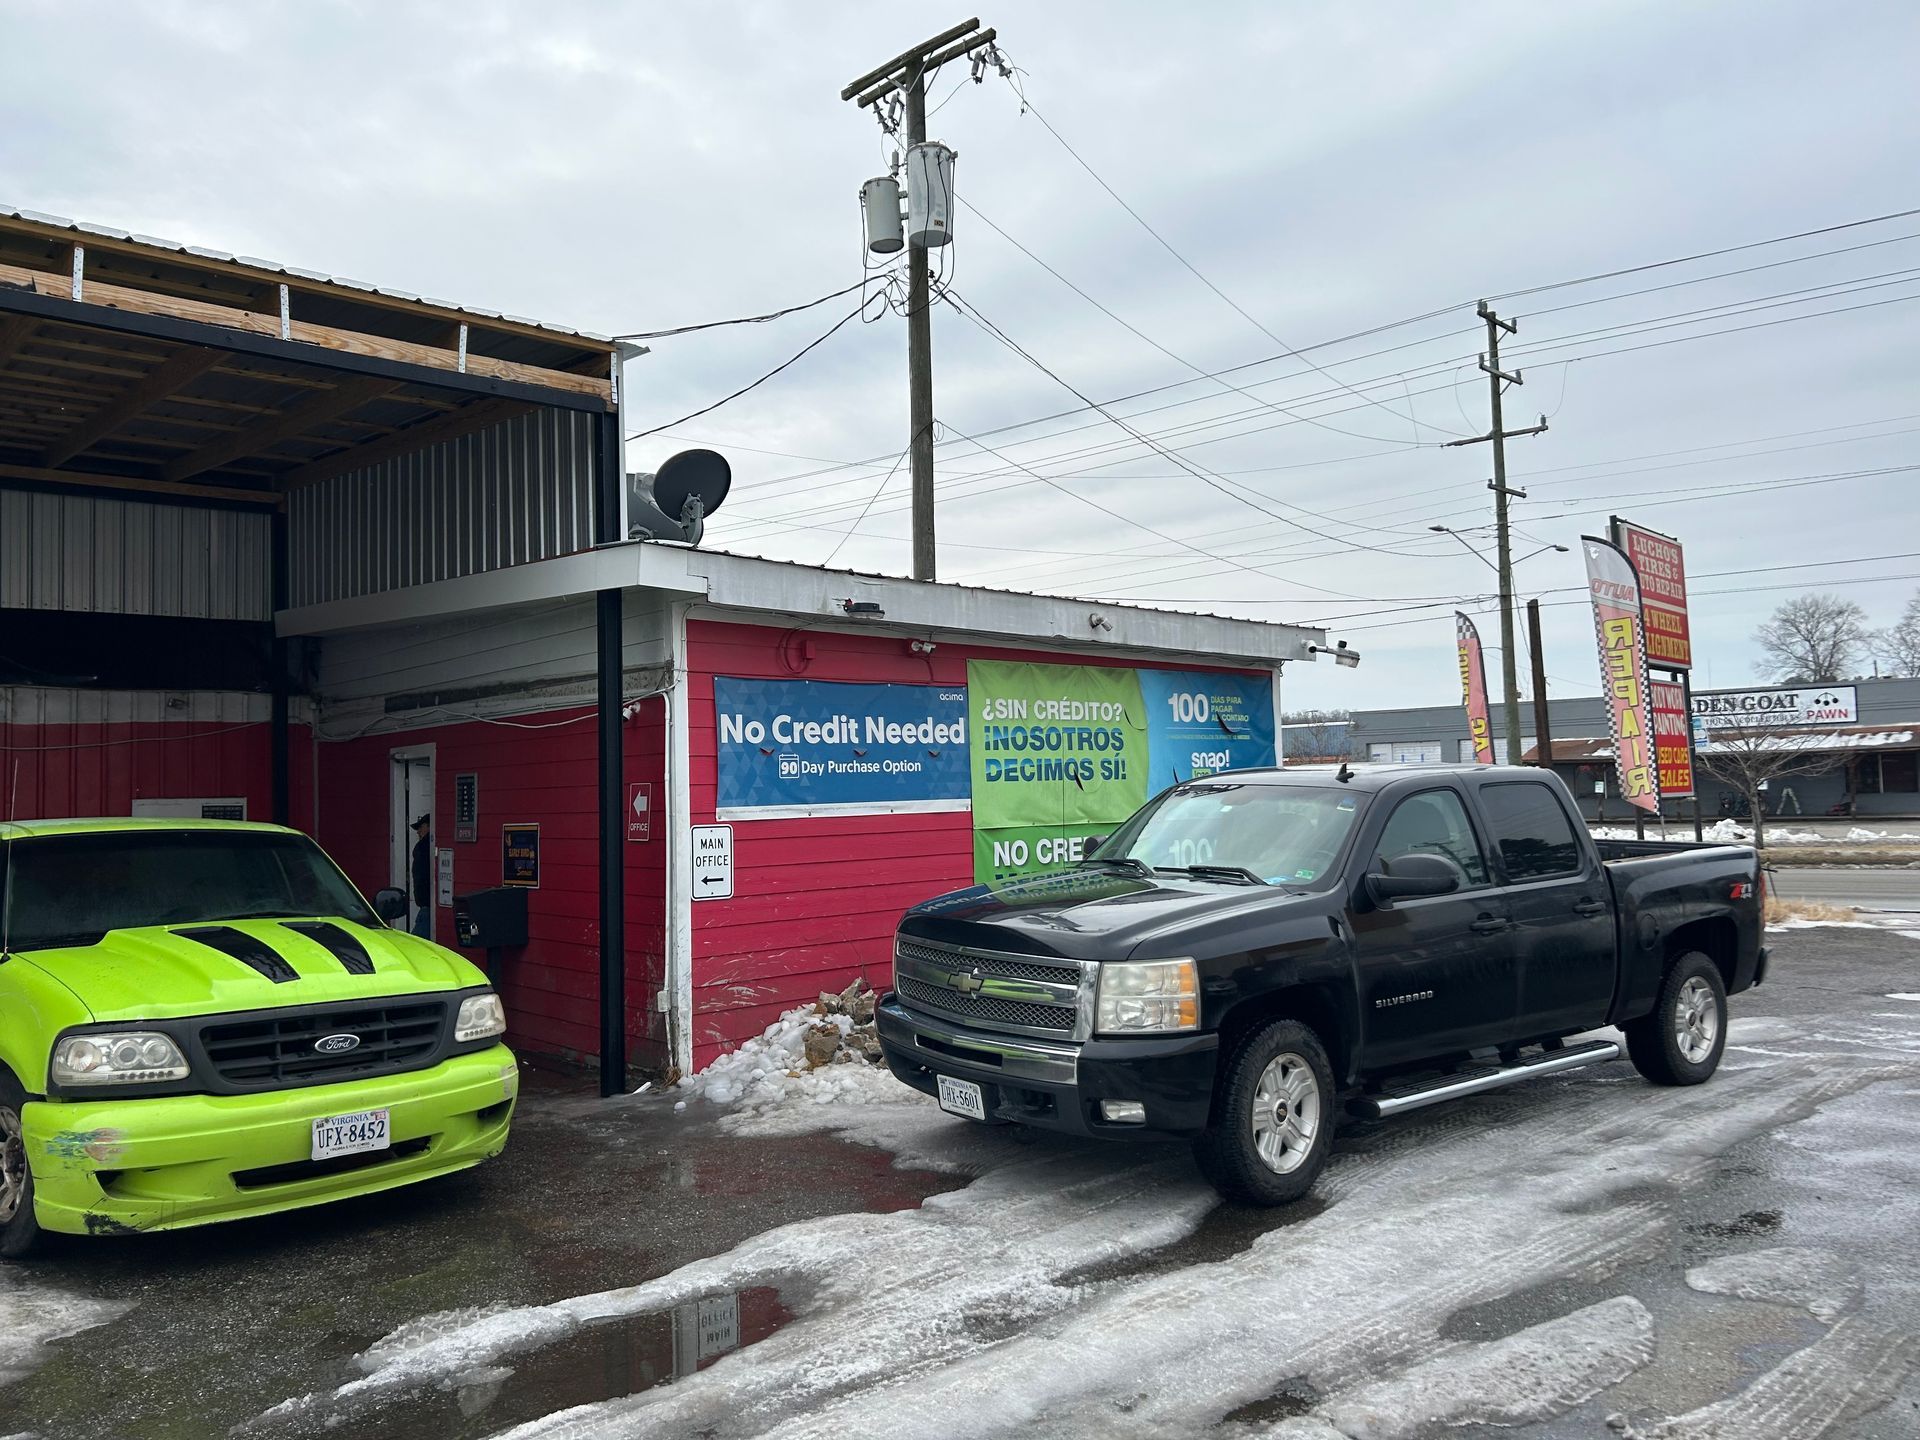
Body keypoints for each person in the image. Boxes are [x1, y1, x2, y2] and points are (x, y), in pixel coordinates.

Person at [410, 813, 434, 938]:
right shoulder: (427, 847)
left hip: (427, 905)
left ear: (430, 826)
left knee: (414, 944)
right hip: (428, 905)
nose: (418, 831)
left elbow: (421, 876)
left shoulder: (422, 848)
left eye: (421, 827)